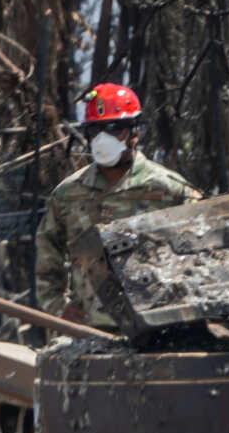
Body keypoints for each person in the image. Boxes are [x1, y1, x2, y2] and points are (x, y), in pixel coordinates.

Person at [32, 83, 202, 328]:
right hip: (91, 331)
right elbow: (46, 255)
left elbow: (202, 254)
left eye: (114, 128)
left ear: (135, 132)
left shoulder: (170, 190)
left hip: (161, 329)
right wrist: (58, 307)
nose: (102, 138)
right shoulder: (68, 195)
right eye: (95, 129)